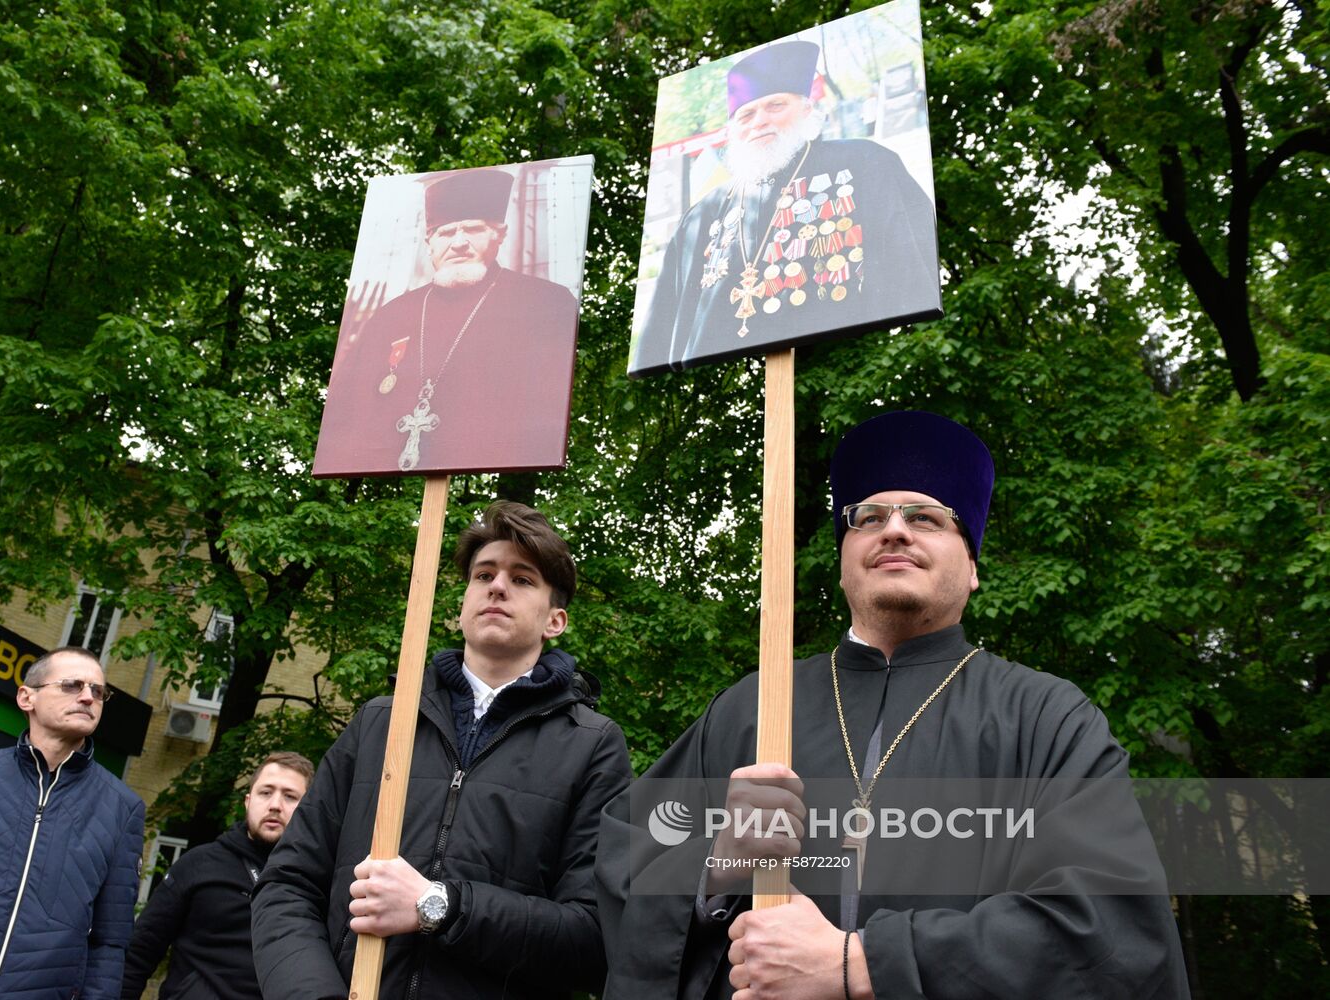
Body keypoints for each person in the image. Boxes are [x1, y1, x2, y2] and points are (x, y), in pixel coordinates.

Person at [597, 411, 1192, 999]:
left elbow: (1108, 927)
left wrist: (860, 965)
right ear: (843, 555)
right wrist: (716, 868)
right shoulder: (752, 708)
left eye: (927, 517)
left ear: (974, 566)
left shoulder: (1046, 718)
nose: (895, 530)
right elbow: (624, 861)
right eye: (869, 516)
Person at [253, 500, 633, 999]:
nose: (497, 585)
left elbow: (594, 937)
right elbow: (287, 886)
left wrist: (439, 906)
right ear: (462, 604)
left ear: (555, 621)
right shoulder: (381, 723)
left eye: (522, 580)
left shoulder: (594, 745)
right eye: (483, 575)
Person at [632, 40, 941, 377]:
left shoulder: (867, 163)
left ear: (807, 110)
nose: (759, 121)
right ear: (731, 131)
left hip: (845, 364)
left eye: (775, 106)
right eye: (746, 114)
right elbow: (665, 333)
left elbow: (909, 275)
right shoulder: (702, 214)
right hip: (732, 376)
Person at [313, 169, 581, 477]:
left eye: (473, 229)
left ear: (499, 235)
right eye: (445, 232)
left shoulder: (546, 302)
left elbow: (541, 418)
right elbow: (349, 417)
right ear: (429, 242)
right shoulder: (390, 317)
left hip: (489, 471)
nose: (459, 242)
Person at [0, 646, 145, 1000]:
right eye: (72, 685)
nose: (88, 697)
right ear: (26, 697)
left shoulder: (122, 809)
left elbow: (111, 941)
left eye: (98, 691)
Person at [120, 751, 315, 1000]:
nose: (275, 804)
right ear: (248, 801)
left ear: (309, 809)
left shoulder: (316, 880)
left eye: (290, 796)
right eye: (265, 792)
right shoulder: (198, 864)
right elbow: (139, 954)